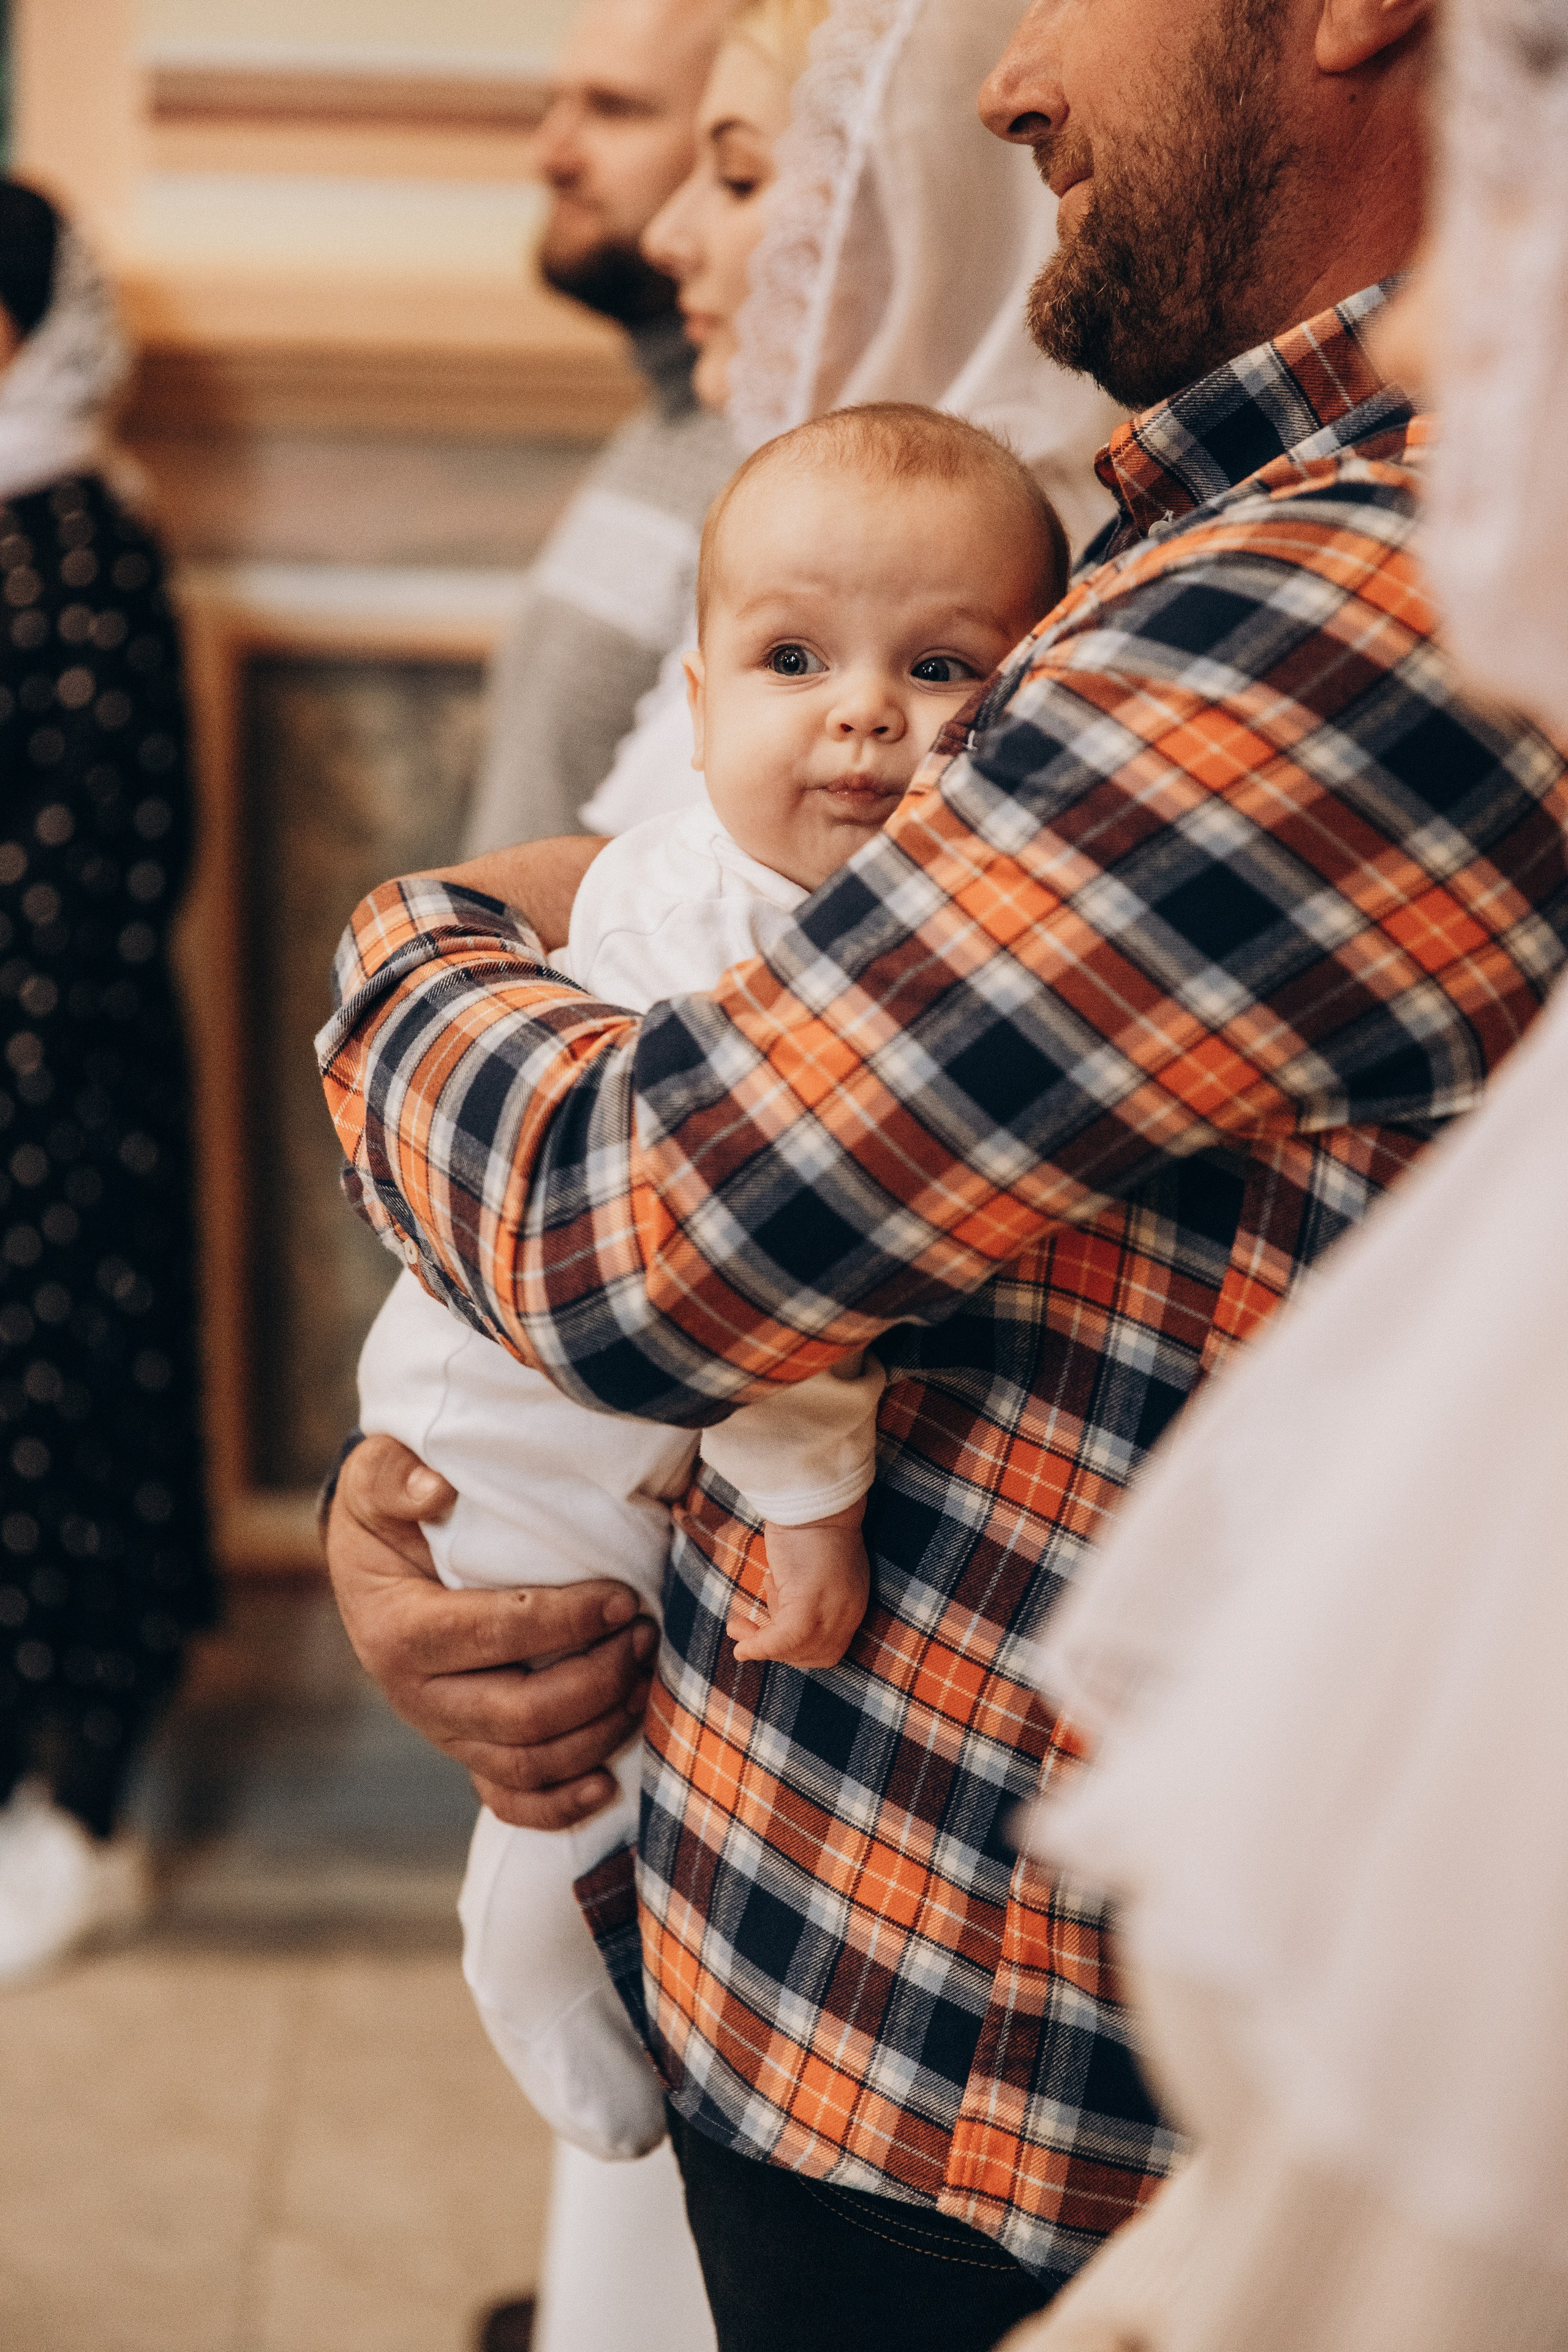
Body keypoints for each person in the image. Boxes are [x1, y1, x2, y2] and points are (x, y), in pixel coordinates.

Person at [358, 404, 1071, 2163]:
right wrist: (815, 1510)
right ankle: (574, 2062)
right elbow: (751, 1289)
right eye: (793, 660)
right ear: (694, 706)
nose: (865, 716)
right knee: (566, 1784)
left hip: (605, 1415)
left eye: (943, 668)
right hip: (532, 1439)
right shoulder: (714, 940)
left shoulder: (825, 915)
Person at [0, 181, 215, 1980]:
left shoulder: (74, 539)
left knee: (60, 1423)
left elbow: (100, 864)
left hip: (45, 1095)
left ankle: (79, 1808)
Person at [462, 0, 738, 855]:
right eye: (557, 104)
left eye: (616, 110)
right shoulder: (665, 420)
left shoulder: (793, 470)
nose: (551, 153)